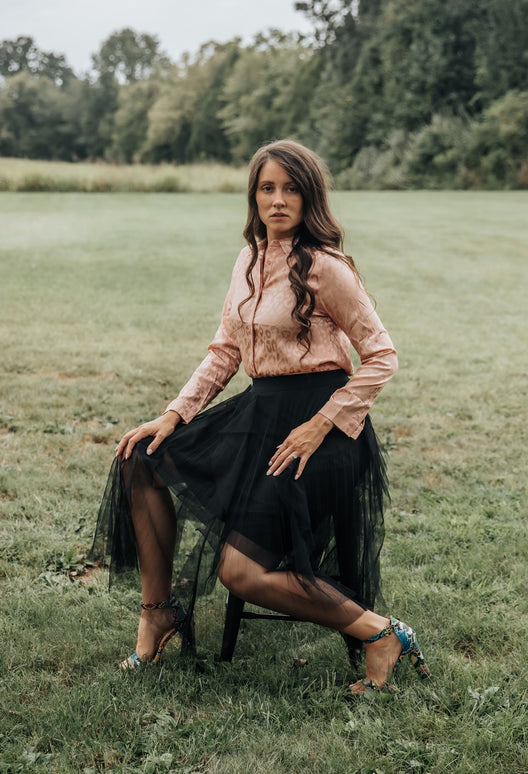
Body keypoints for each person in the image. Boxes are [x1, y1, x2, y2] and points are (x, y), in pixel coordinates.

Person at [90, 139, 429, 693]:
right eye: (267, 188)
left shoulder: (326, 267)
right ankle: (158, 612)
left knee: (239, 572)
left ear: (310, 196)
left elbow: (382, 355)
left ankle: (382, 633)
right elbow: (226, 351)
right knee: (142, 460)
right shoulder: (248, 259)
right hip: (260, 412)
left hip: (322, 427)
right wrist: (173, 415)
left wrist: (321, 423)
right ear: (253, 196)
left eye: (291, 188)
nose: (278, 200)